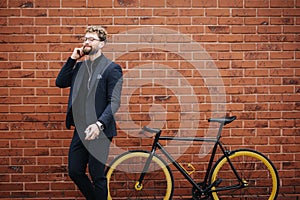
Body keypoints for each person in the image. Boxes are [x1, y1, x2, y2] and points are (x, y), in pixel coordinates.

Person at [56, 25, 123, 200]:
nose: (87, 42)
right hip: (81, 128)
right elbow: (60, 82)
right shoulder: (79, 67)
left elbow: (114, 102)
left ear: (102, 44)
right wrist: (72, 59)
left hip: (99, 130)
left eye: (91, 39)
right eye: (85, 39)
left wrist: (99, 124)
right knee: (75, 171)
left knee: (97, 175)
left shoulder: (111, 69)